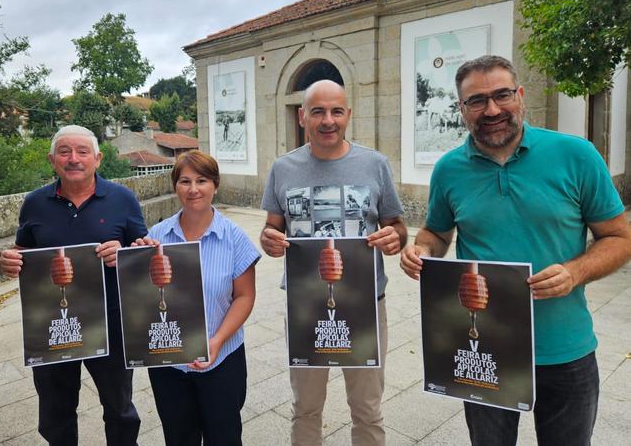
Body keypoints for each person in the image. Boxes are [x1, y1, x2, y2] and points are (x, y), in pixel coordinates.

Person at [400, 55, 631, 446]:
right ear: (462, 109)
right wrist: (421, 250)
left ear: (520, 95)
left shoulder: (576, 155)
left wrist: (575, 272)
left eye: (502, 95)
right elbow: (436, 234)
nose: (491, 110)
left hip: (564, 348)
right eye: (476, 101)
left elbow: (619, 237)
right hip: (483, 348)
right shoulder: (449, 170)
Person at [260, 79, 407, 446]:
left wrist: (396, 239)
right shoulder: (282, 168)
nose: (328, 120)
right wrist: (269, 241)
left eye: (336, 111)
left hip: (365, 305)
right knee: (305, 408)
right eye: (318, 111)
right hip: (306, 304)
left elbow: (397, 225)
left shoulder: (375, 164)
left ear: (348, 115)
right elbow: (271, 229)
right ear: (302, 116)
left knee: (367, 410)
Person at [0, 125, 146, 446]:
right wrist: (11, 260)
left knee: (119, 408)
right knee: (55, 410)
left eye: (82, 152)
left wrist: (125, 254)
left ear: (97, 158)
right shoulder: (34, 203)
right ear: (52, 160)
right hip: (53, 322)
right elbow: (24, 250)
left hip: (111, 321)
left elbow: (142, 251)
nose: (73, 159)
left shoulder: (123, 199)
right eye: (65, 152)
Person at [134, 150, 259, 446]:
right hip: (169, 362)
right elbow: (143, 297)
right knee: (178, 437)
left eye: (201, 180)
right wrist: (136, 261)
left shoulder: (234, 237)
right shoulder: (156, 236)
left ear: (215, 185)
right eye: (185, 181)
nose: (193, 189)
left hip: (222, 359)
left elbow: (244, 297)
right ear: (175, 186)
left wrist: (215, 342)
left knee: (224, 437)